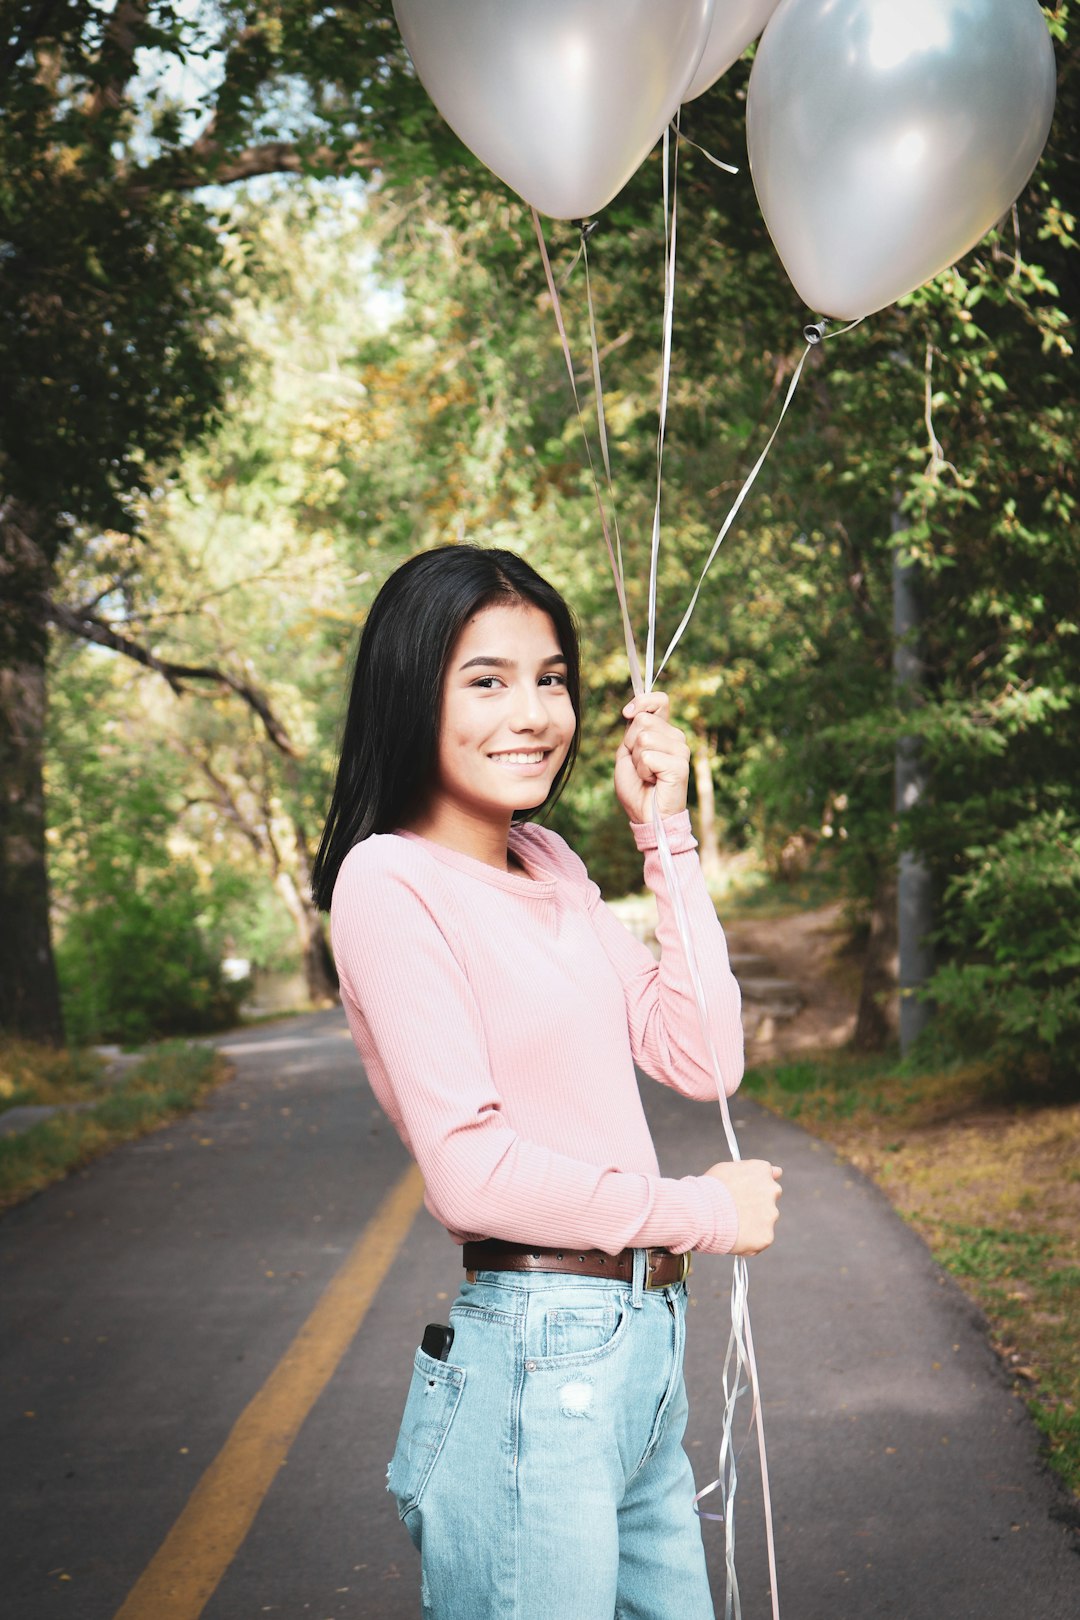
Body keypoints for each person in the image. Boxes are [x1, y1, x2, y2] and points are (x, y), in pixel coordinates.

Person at [313, 544, 782, 1620]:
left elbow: (702, 1055)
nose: (533, 712)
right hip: (539, 1353)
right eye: (487, 680)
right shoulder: (389, 881)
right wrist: (700, 1211)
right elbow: (474, 1175)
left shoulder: (551, 864)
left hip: (638, 1354)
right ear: (409, 692)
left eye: (553, 677)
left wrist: (663, 835)